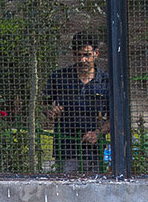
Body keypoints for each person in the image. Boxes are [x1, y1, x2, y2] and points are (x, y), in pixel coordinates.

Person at [42, 31, 109, 175]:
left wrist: (98, 133)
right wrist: (50, 111)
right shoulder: (59, 77)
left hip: (94, 150)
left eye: (87, 55)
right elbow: (43, 104)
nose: (82, 60)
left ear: (96, 54)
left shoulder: (106, 81)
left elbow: (115, 117)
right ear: (73, 55)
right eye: (78, 55)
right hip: (66, 147)